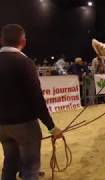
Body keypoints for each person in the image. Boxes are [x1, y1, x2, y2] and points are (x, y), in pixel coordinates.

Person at [0, 24, 63, 180]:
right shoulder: (25, 63)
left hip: (1, 126)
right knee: (30, 168)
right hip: (24, 125)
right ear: (23, 41)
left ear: (2, 40)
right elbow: (36, 98)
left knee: (9, 164)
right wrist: (51, 127)